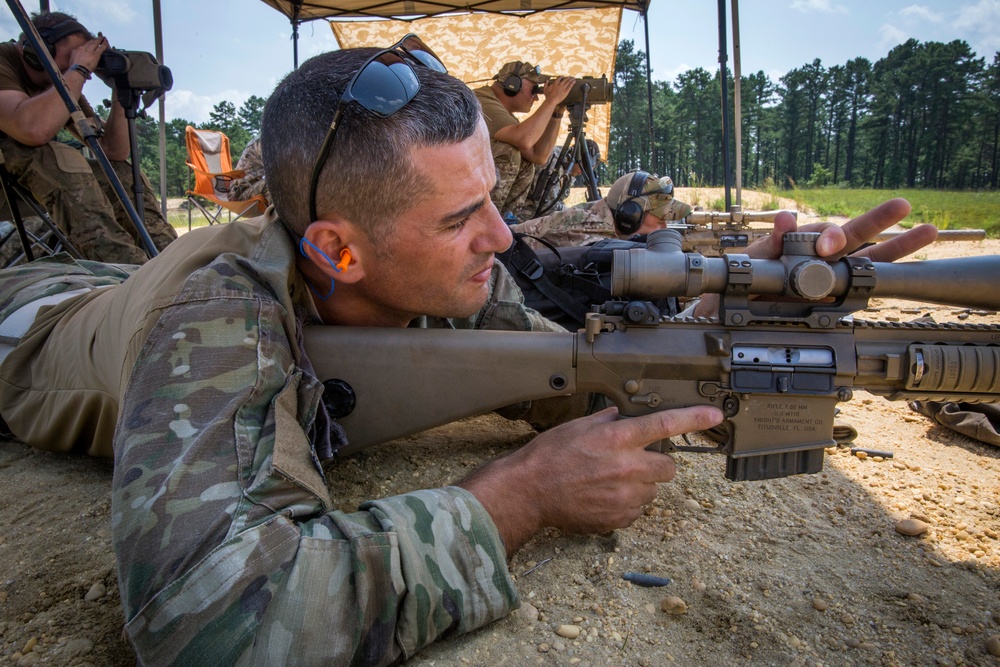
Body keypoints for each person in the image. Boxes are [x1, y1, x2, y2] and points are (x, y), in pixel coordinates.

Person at [0, 39, 935, 665]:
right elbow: (205, 618)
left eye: (493, 195)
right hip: (31, 309)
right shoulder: (216, 315)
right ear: (337, 250)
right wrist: (515, 497)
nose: (502, 237)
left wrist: (727, 315)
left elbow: (575, 371)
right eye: (460, 217)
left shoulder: (439, 274)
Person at [0, 11, 176, 264]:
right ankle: (127, 269)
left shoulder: (60, 80)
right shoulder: (5, 61)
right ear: (36, 50)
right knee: (54, 155)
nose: (87, 69)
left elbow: (114, 152)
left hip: (17, 183)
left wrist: (120, 89)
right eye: (71, 57)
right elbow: (32, 130)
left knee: (122, 173)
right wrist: (78, 69)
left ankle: (170, 261)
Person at [474, 61, 576, 219]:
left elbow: (538, 156)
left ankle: (506, 221)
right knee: (509, 152)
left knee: (526, 161)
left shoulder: (502, 112)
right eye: (534, 89)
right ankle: (482, 220)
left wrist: (556, 112)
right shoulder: (481, 100)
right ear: (512, 84)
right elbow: (524, 140)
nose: (536, 98)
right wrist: (550, 101)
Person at [510, 169, 693, 248]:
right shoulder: (584, 230)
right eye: (660, 220)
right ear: (630, 215)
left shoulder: (606, 220)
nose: (664, 228)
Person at [512, 137, 601, 221]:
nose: (582, 172)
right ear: (577, 157)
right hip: (521, 216)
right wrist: (575, 211)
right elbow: (546, 206)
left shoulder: (567, 165)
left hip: (535, 215)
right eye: (582, 166)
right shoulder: (555, 162)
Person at [227, 134, 269, 205]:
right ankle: (280, 215)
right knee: (274, 185)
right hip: (239, 192)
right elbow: (276, 170)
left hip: (254, 186)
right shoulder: (261, 143)